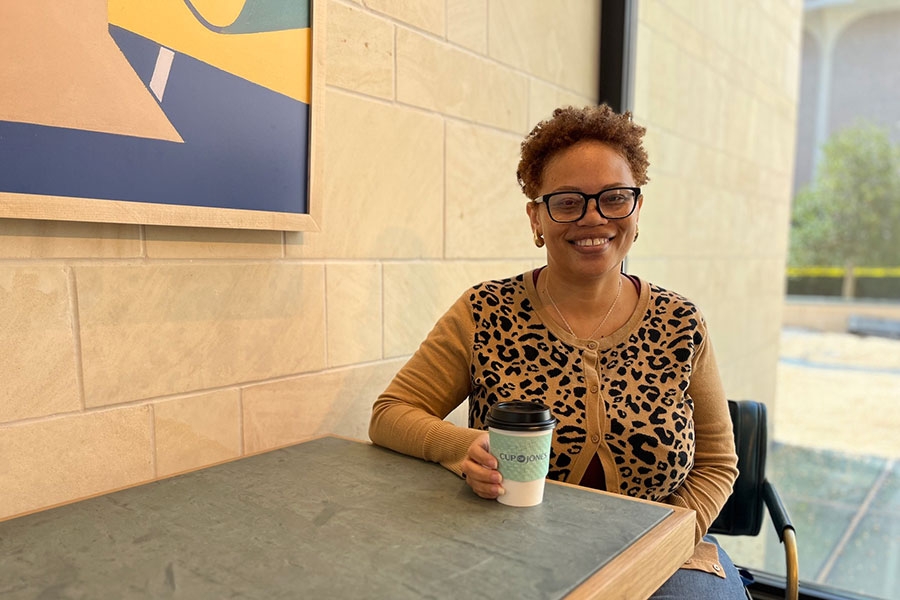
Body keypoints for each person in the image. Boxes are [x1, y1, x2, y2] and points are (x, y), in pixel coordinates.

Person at [369, 104, 745, 599]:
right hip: (509, 547)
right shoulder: (484, 311)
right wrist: (463, 450)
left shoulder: (682, 324)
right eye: (567, 202)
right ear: (537, 217)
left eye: (614, 198)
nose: (593, 217)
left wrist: (663, 547)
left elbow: (718, 464)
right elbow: (390, 414)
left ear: (636, 210)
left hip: (666, 558)